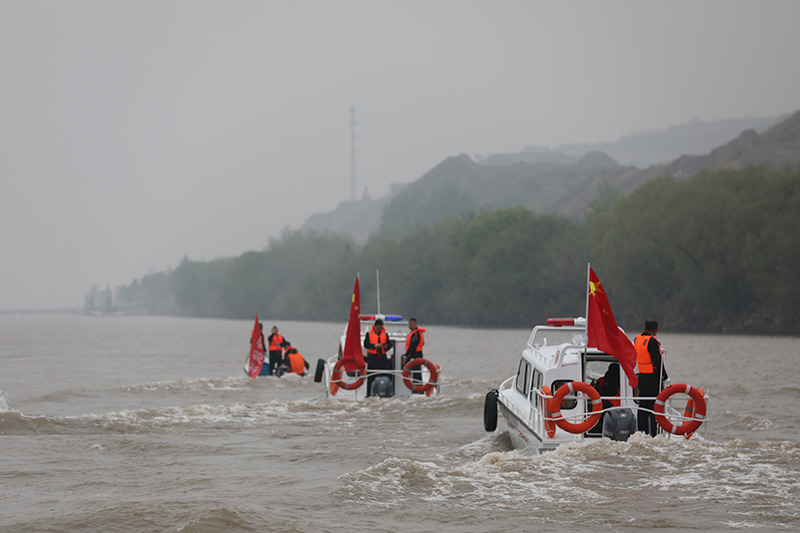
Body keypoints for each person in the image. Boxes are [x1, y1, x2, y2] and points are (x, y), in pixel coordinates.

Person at [634, 320, 670, 436]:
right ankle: (654, 434)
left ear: (644, 328)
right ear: (656, 330)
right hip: (652, 379)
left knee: (643, 406)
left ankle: (641, 432)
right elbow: (657, 361)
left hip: (642, 377)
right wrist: (665, 377)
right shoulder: (652, 341)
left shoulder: (637, 339)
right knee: (654, 407)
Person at [363, 318, 392, 397]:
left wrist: (386, 347)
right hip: (372, 357)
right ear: (374, 327)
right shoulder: (369, 334)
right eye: (378, 328)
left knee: (383, 374)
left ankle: (384, 392)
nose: (379, 330)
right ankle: (369, 393)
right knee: (371, 375)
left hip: (382, 356)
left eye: (381, 328)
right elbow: (366, 344)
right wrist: (374, 346)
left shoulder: (385, 335)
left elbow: (390, 345)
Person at [402, 317, 426, 391]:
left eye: (412, 324)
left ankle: (418, 389)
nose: (410, 326)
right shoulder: (414, 333)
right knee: (414, 372)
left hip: (416, 355)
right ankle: (416, 388)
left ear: (416, 324)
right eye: (409, 324)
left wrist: (406, 356)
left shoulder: (416, 334)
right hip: (415, 354)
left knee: (416, 373)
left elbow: (412, 346)